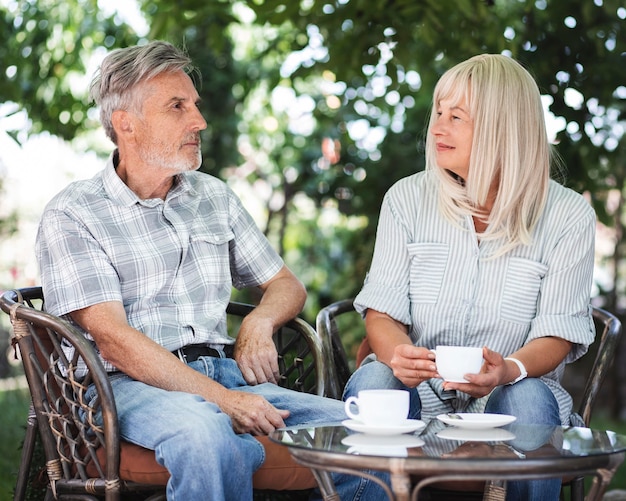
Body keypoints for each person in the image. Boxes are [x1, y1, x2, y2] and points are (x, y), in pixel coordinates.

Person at [35, 40, 383, 500]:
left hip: (222, 372)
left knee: (365, 433)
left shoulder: (213, 196)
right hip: (123, 389)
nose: (198, 121)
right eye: (176, 107)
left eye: (194, 106)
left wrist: (259, 322)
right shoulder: (74, 214)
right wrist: (224, 404)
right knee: (205, 436)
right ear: (126, 124)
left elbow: (284, 285)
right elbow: (114, 341)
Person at [343, 54, 596, 500]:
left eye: (456, 117)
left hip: (510, 406)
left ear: (504, 129)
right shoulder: (406, 199)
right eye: (438, 113)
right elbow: (381, 314)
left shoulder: (568, 214)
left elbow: (558, 332)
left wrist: (508, 370)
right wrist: (399, 356)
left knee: (530, 397)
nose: (437, 128)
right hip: (419, 399)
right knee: (375, 381)